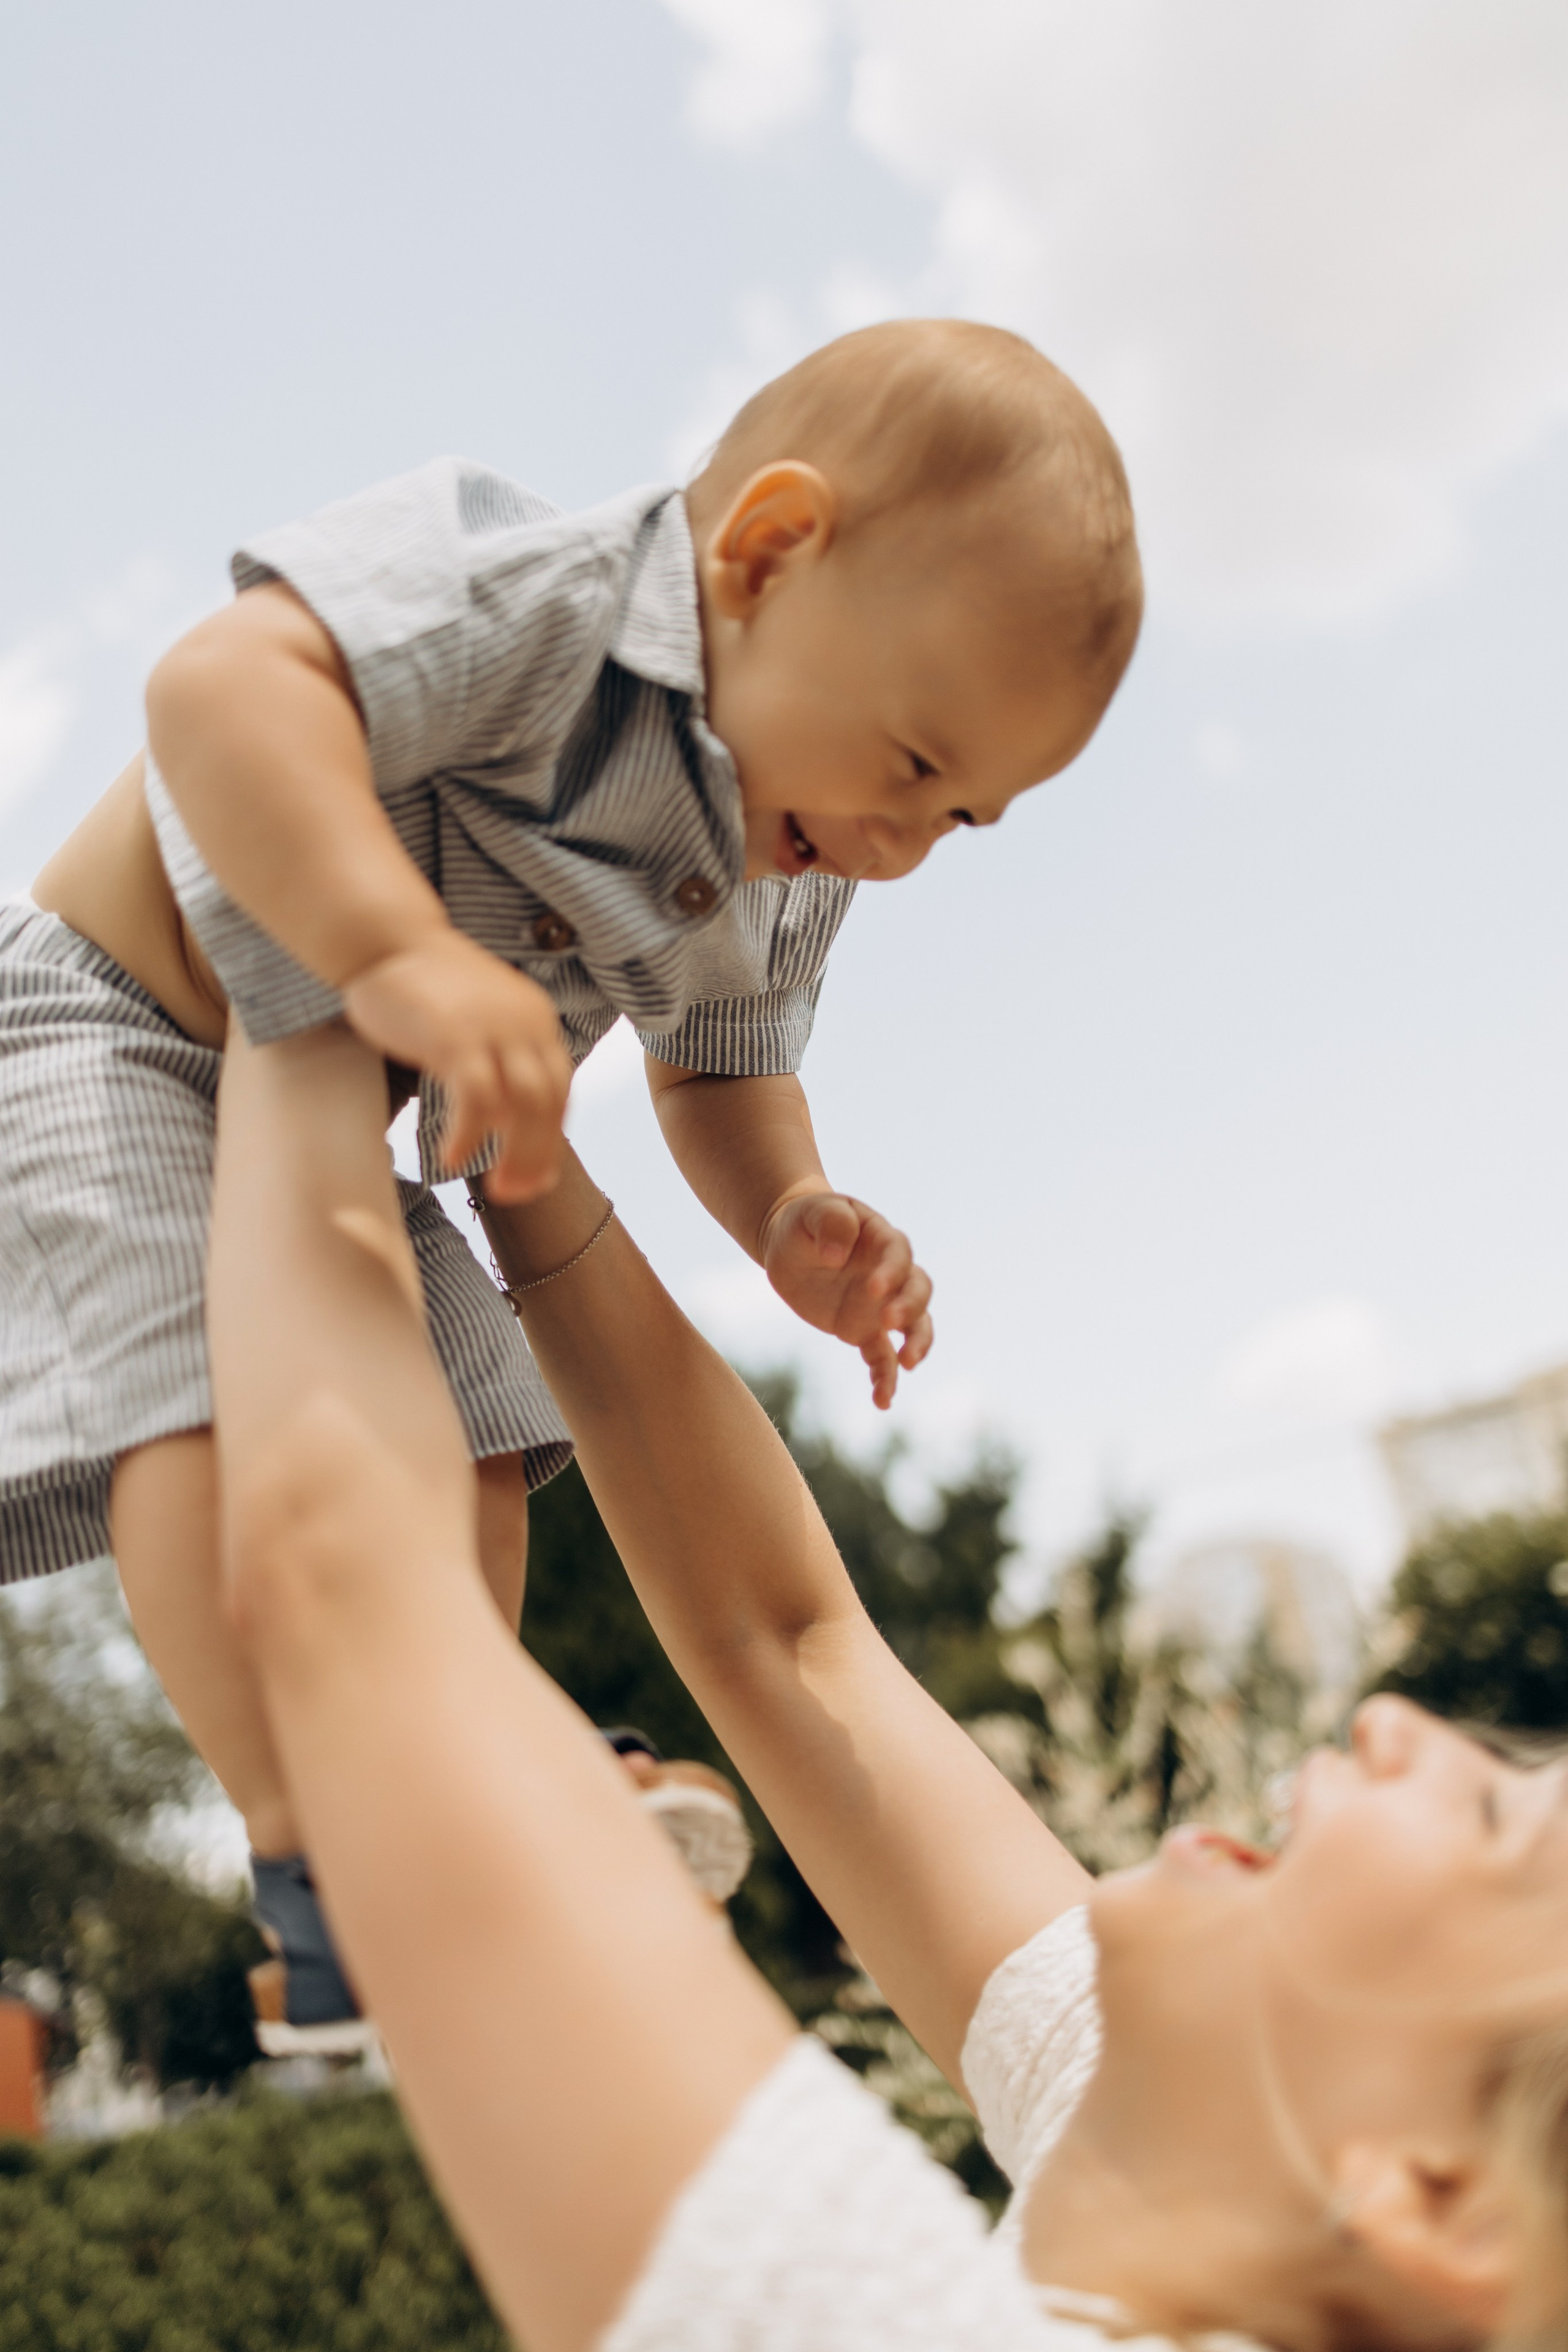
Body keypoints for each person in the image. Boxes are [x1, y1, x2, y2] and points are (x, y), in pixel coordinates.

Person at [1, 317, 1142, 2021]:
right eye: (914, 764)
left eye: (961, 817)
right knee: (204, 1410)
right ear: (766, 552)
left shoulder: (795, 853)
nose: (903, 848)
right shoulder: (536, 602)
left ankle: (469, 1784)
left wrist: (784, 1212)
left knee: (482, 1425)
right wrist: (396, 951)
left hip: (338, 1119)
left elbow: (722, 1068)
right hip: (116, 1029)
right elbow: (219, 692)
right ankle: (312, 1841)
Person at [209, 1017, 1568, 2352]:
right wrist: (516, 1155)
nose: (1401, 1723)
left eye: (1501, 1820)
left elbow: (341, 1598)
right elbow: (782, 1640)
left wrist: (304, 978)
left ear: (1439, 2205)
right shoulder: (1197, 2139)